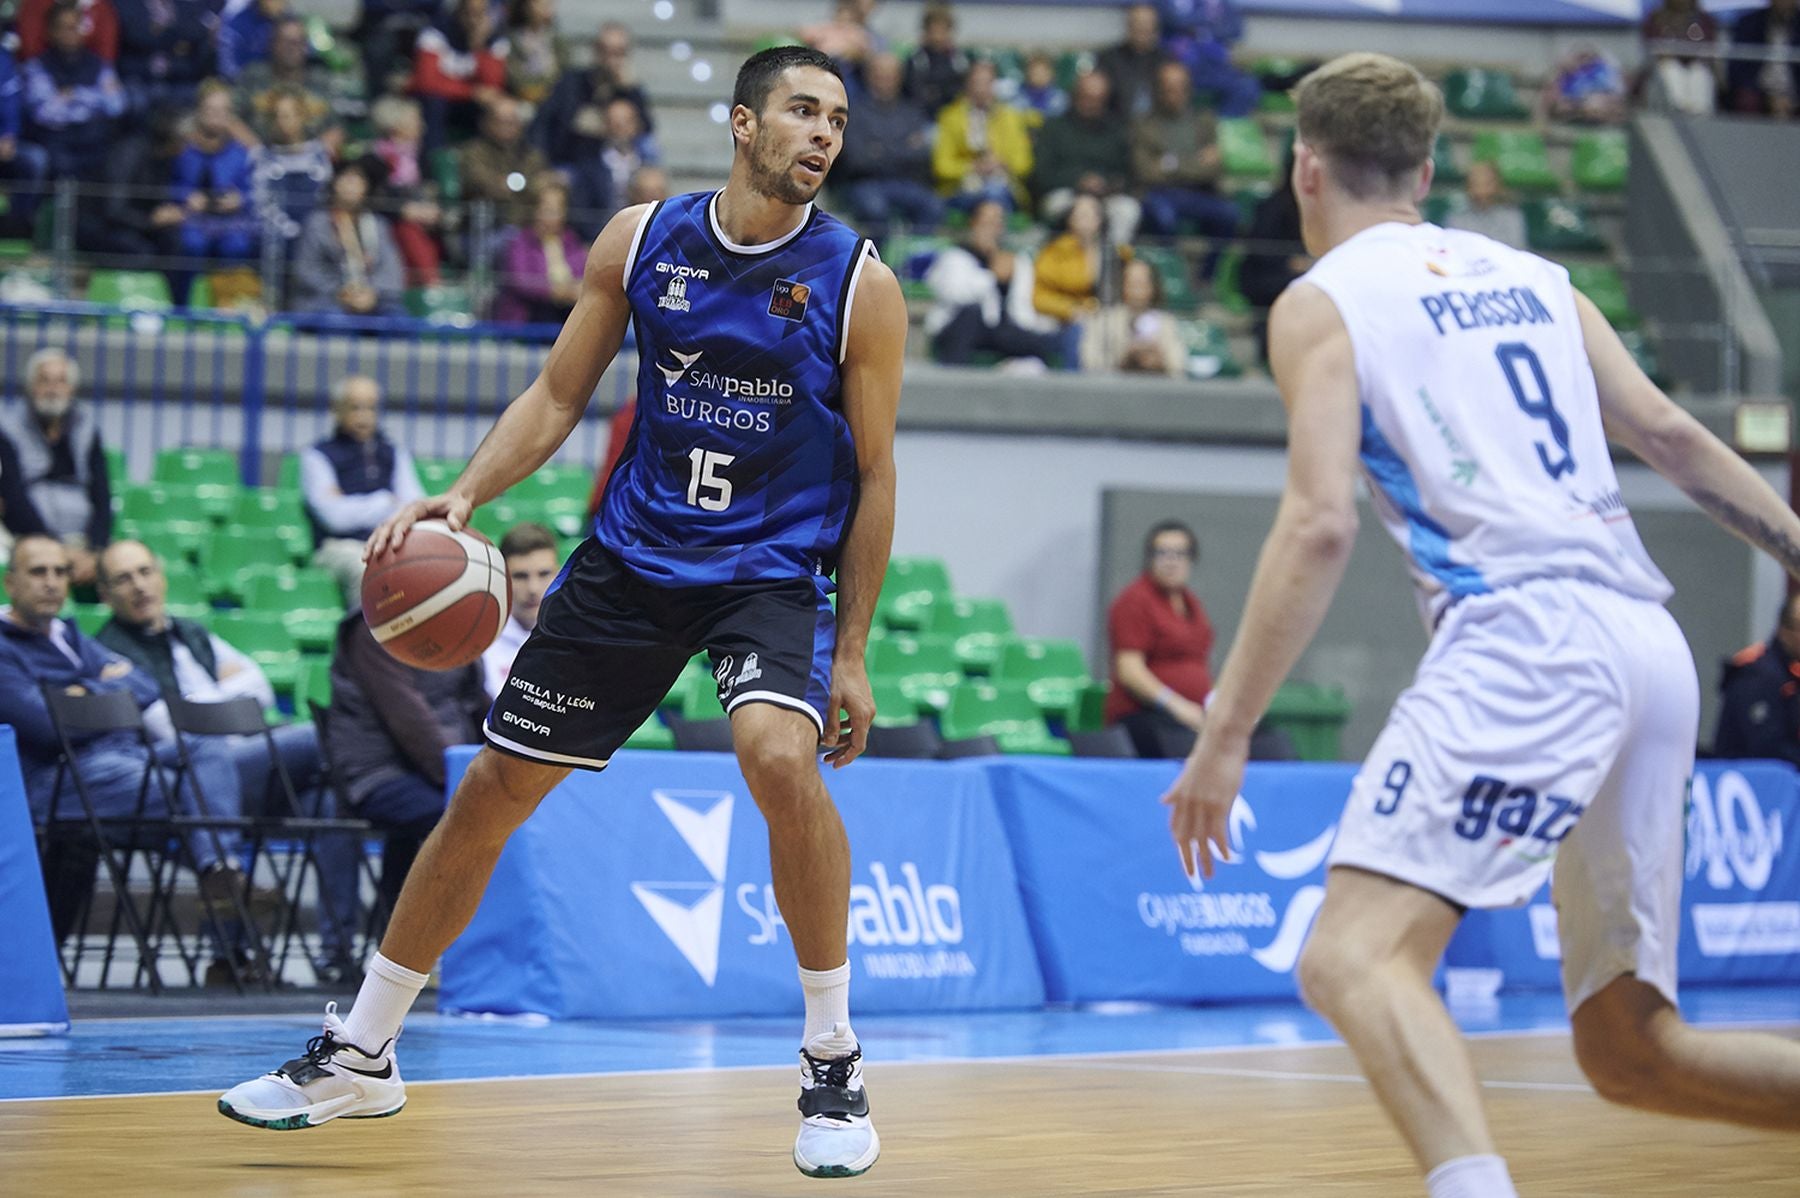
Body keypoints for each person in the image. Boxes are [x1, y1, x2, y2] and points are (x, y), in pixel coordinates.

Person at [220, 46, 905, 1184]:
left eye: (836, 118)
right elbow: (555, 392)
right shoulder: (641, 241)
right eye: (800, 110)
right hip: (634, 559)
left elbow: (877, 476)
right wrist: (469, 491)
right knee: (491, 789)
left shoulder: (857, 283)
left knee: (778, 756)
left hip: (769, 570)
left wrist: (859, 648)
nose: (823, 134)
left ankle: (831, 1059)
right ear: (743, 123)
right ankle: (363, 1050)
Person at [1162, 52, 1800, 1198]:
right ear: (1429, 164)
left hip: (1527, 637)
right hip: (1646, 647)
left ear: (1305, 167)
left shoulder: (1322, 302)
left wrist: (1226, 728)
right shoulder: (1540, 277)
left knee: (1353, 959)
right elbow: (1675, 437)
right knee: (1633, 1052)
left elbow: (1316, 527)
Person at [92, 539, 359, 979]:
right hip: (187, 780)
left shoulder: (190, 631)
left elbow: (260, 689)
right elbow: (168, 725)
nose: (139, 586)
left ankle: (330, 957)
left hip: (244, 767)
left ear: (160, 576)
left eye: (144, 572)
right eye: (123, 579)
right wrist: (223, 704)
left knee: (331, 806)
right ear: (104, 594)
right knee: (320, 735)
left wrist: (203, 706)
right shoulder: (108, 652)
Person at [0, 535, 269, 963]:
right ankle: (221, 881)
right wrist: (103, 689)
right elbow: (48, 727)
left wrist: (77, 695)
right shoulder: (4, 647)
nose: (51, 582)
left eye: (59, 571)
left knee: (203, 750)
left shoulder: (68, 635)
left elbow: (143, 687)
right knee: (200, 792)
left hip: (123, 762)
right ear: (11, 583)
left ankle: (219, 871)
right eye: (38, 572)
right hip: (58, 782)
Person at [318, 609, 485, 944]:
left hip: (433, 771)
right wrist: (466, 781)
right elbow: (409, 721)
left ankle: (398, 944)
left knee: (486, 809)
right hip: (374, 773)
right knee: (470, 819)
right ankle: (440, 948)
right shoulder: (373, 630)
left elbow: (478, 704)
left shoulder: (456, 623)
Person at [300, 375, 424, 602]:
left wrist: (354, 506)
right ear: (337, 410)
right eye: (356, 407)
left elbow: (415, 507)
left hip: (390, 545)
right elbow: (334, 517)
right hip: (338, 547)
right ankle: (364, 637)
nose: (364, 416)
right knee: (365, 569)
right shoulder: (317, 456)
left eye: (371, 408)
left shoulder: (394, 453)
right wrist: (387, 502)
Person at [0, 348, 111, 586]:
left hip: (82, 544)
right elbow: (13, 497)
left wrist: (94, 549)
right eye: (44, 380)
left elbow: (102, 496)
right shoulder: (7, 429)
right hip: (24, 537)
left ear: (72, 389)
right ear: (30, 386)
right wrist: (53, 549)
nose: (52, 389)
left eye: (61, 381)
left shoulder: (87, 428)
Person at [1105, 521, 1212, 757]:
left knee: (1266, 743)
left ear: (1191, 560)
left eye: (1179, 553)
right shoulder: (1134, 601)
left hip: (1194, 715)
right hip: (1147, 716)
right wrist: (1177, 706)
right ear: (1149, 558)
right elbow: (1129, 670)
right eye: (1161, 553)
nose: (1170, 561)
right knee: (1196, 752)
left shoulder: (1192, 604)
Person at [925, 197, 1066, 368]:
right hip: (958, 327)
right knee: (970, 314)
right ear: (973, 223)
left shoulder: (1014, 260)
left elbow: (1022, 306)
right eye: (986, 222)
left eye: (997, 222)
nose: (992, 228)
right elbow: (956, 294)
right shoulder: (955, 256)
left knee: (1045, 342)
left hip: (999, 329)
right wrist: (993, 276)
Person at [831, 51, 942, 241]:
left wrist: (880, 150)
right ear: (869, 75)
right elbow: (857, 158)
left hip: (906, 182)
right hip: (865, 183)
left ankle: (914, 261)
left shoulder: (912, 112)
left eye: (891, 74)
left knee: (933, 205)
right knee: (874, 209)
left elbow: (923, 155)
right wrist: (903, 148)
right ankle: (877, 263)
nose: (886, 79)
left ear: (899, 77)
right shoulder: (854, 111)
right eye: (880, 73)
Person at [1130, 60, 1238, 248]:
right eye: (1168, 88)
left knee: (1230, 215)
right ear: (1158, 90)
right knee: (1162, 216)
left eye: (1180, 87)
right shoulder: (1144, 125)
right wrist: (1195, 162)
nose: (1175, 94)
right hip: (1161, 193)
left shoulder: (1204, 121)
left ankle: (1208, 275)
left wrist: (1170, 163)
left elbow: (1215, 168)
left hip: (1201, 192)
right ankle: (1172, 271)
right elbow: (1146, 171)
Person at [1032, 70, 1141, 248]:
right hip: (1064, 194)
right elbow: (1040, 175)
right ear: (1075, 95)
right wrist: (1078, 181)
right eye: (1086, 97)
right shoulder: (1054, 127)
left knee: (1128, 210)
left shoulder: (1115, 131)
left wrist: (1107, 183)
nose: (1091, 103)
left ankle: (1112, 265)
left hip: (1106, 196)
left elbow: (1128, 173)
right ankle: (1071, 264)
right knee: (1074, 208)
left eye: (1098, 98)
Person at [21, 0, 125, 181]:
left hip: (93, 137)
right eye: (64, 28)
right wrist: (93, 98)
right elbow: (44, 112)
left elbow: (116, 105)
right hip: (55, 139)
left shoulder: (98, 64)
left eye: (75, 26)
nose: (70, 33)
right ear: (51, 31)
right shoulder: (37, 67)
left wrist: (72, 94)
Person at [290, 160, 406, 318]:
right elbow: (306, 270)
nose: (351, 185)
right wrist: (342, 292)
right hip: (326, 300)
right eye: (345, 178)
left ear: (366, 187)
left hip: (373, 299)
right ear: (334, 184)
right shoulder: (317, 223)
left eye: (357, 179)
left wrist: (372, 293)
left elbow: (391, 270)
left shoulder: (379, 225)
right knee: (336, 321)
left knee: (397, 320)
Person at [172, 80, 260, 270]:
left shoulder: (240, 153)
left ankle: (228, 297)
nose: (215, 117)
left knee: (237, 245)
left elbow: (254, 189)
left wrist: (240, 200)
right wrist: (186, 197)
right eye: (210, 110)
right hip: (192, 219)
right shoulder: (182, 149)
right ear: (199, 111)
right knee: (191, 244)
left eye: (222, 111)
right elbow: (170, 184)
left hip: (231, 221)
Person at [931, 58, 1034, 213]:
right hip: (962, 188)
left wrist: (1001, 163)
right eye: (976, 82)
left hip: (1002, 184)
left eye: (986, 83)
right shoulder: (950, 117)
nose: (981, 89)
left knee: (995, 191)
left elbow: (1024, 164)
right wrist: (972, 167)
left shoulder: (1010, 117)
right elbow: (941, 166)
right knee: (991, 193)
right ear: (967, 85)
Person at [1237, 148, 1308, 363]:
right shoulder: (1271, 208)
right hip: (1267, 280)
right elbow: (1257, 253)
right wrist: (1289, 263)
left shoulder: (1319, 210)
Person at [410, 0, 508, 152]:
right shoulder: (435, 33)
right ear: (458, 11)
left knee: (495, 109)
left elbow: (492, 86)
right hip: (438, 102)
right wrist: (470, 92)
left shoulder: (494, 40)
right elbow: (426, 82)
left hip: (468, 104)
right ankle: (435, 163)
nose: (473, 19)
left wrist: (479, 45)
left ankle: (487, 162)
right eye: (468, 13)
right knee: (434, 104)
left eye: (479, 14)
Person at [1713, 593, 1800, 763]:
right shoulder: (1758, 673)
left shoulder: (1791, 671)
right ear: (1784, 631)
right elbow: (1766, 746)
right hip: (1747, 781)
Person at [481, 521, 559, 696]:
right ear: (502, 578)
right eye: (520, 576)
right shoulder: (480, 644)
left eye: (544, 574)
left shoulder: (577, 637)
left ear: (559, 574)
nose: (533, 588)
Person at [492, 177, 586, 325]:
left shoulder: (572, 242)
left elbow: (582, 275)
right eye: (546, 211)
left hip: (564, 318)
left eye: (556, 211)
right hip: (527, 321)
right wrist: (554, 291)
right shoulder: (519, 242)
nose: (550, 218)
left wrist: (575, 289)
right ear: (534, 210)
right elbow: (520, 281)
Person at [1081, 256, 1185, 378]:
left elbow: (1179, 366)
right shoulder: (1104, 320)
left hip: (1157, 389)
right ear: (1122, 285)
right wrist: (1125, 357)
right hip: (1115, 390)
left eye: (1141, 282)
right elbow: (1089, 362)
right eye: (1132, 282)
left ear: (1153, 287)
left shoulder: (1166, 323)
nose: (1137, 288)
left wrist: (1159, 360)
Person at [460, 95, 550, 228]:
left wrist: (513, 184)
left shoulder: (532, 155)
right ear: (487, 122)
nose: (508, 127)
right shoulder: (473, 152)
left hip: (526, 227)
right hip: (487, 227)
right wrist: (522, 186)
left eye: (513, 122)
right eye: (501, 121)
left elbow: (541, 184)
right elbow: (481, 182)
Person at [111, 0, 216, 115]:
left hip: (179, 80)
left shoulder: (186, 7)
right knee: (135, 102)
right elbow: (123, 47)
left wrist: (171, 66)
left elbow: (196, 45)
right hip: (135, 79)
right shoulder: (124, 5)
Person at [1642, 0, 1719, 116]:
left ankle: (1700, 113)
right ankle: (1679, 110)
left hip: (1695, 64)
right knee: (1671, 68)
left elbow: (1707, 47)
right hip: (1665, 65)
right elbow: (1653, 47)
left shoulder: (1703, 20)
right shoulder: (1656, 18)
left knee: (1699, 71)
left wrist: (1690, 53)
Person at [1728, 0, 1800, 117]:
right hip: (1760, 90)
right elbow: (1736, 69)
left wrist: (1794, 99)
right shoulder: (1749, 23)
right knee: (1747, 100)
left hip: (1793, 91)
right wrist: (1768, 98)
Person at [1096, 3, 1165, 121]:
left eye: (1146, 25)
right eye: (1137, 24)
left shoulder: (1166, 62)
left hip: (1158, 130)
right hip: (1115, 127)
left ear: (1155, 29)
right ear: (1128, 26)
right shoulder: (1108, 59)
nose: (1141, 30)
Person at [902, 2, 968, 117]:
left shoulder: (959, 60)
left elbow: (960, 92)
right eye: (934, 30)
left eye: (942, 30)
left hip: (951, 118)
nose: (938, 37)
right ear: (926, 31)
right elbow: (915, 93)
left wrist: (936, 91)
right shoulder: (916, 60)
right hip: (921, 117)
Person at [1446, 160, 1526, 251]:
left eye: (1486, 184)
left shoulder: (1512, 218)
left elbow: (1515, 253)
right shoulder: (1456, 219)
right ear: (1467, 188)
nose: (1481, 191)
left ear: (1497, 186)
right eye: (1475, 184)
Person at [503, 0, 563, 105]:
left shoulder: (557, 40)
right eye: (538, 3)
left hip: (552, 98)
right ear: (525, 6)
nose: (544, 7)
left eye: (548, 3)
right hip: (520, 98)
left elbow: (563, 72)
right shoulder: (513, 38)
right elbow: (511, 73)